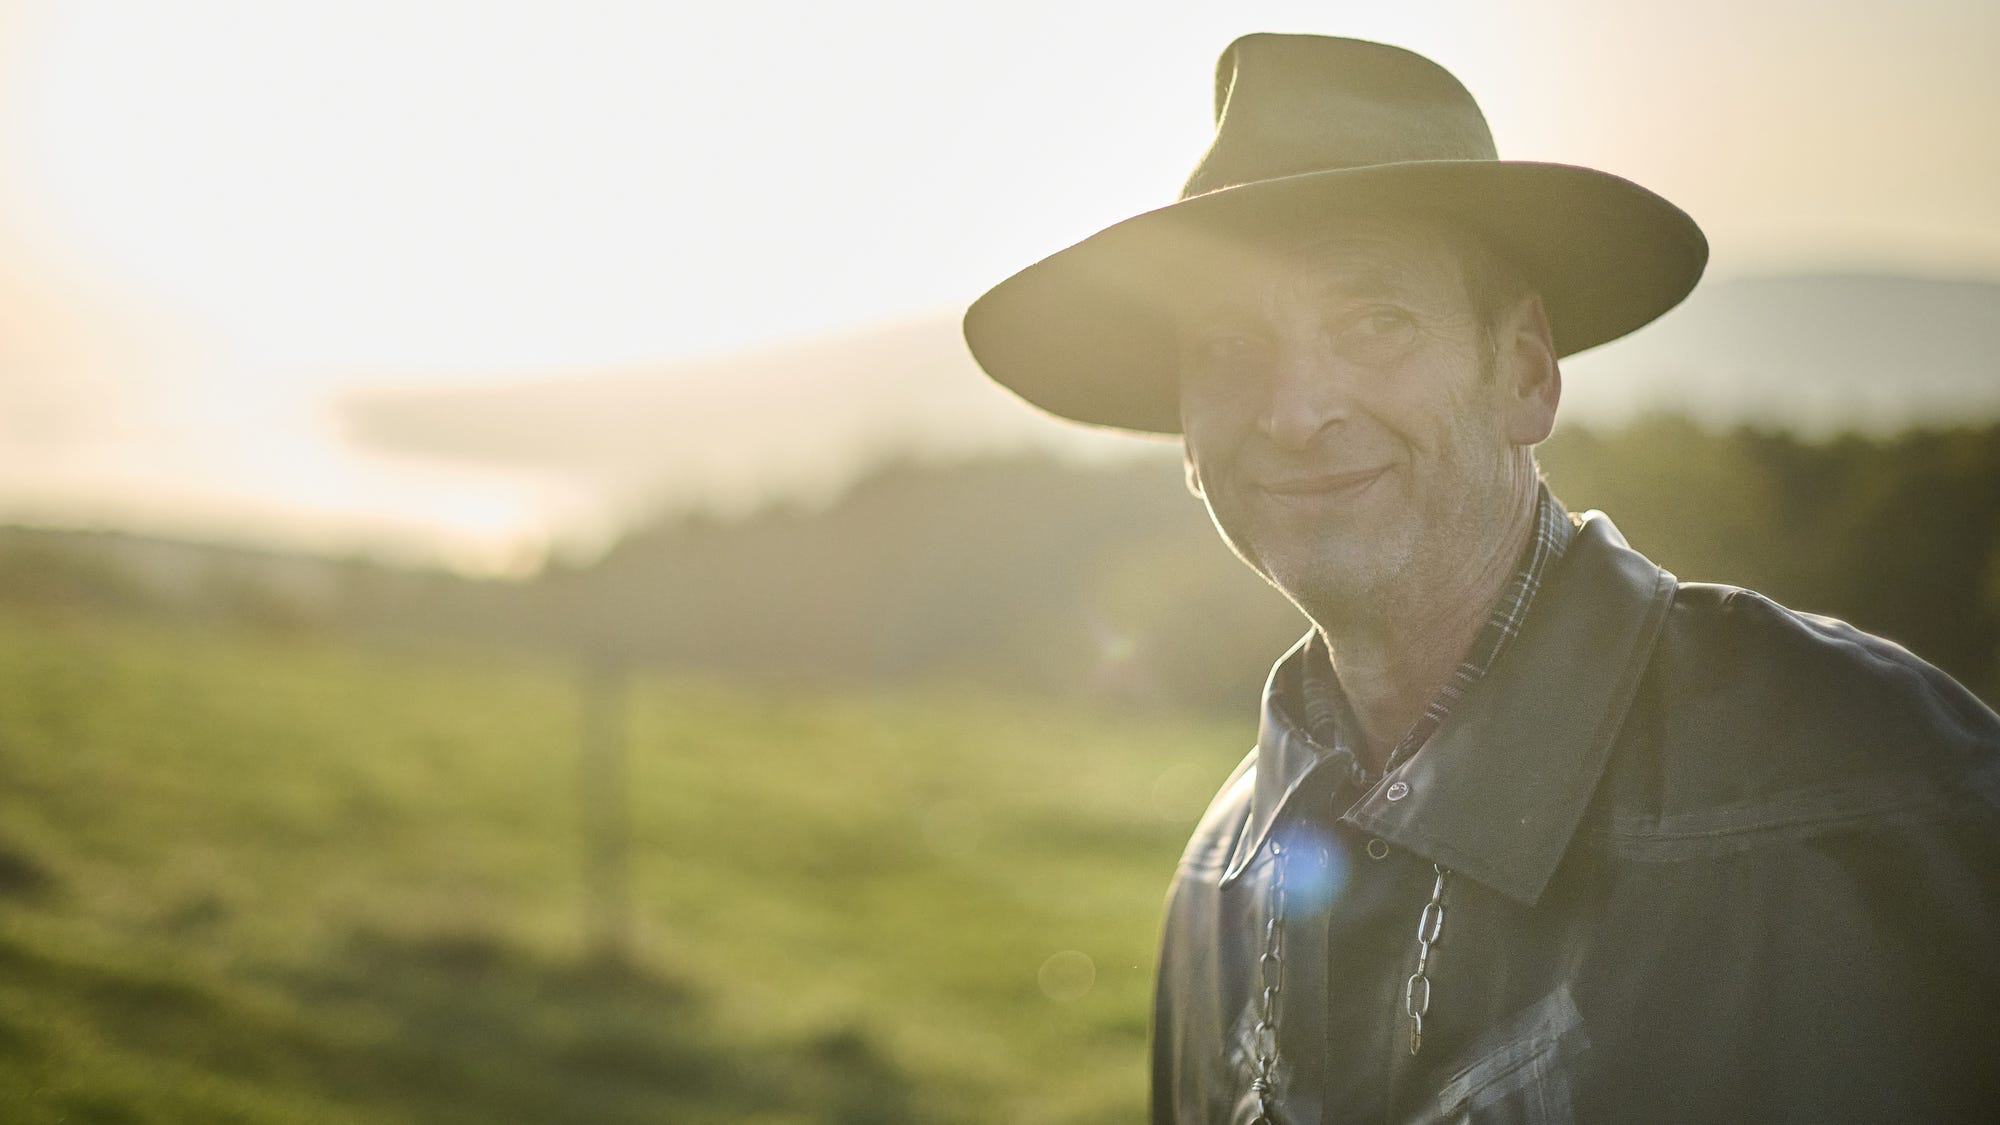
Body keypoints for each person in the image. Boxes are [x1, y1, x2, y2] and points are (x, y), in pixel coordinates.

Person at [963, 33, 2000, 1123]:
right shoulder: (1217, 882)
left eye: (1374, 323)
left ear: (1523, 375)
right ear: (1185, 439)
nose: (1293, 410)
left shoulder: (1862, 777)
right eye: (1228, 347)